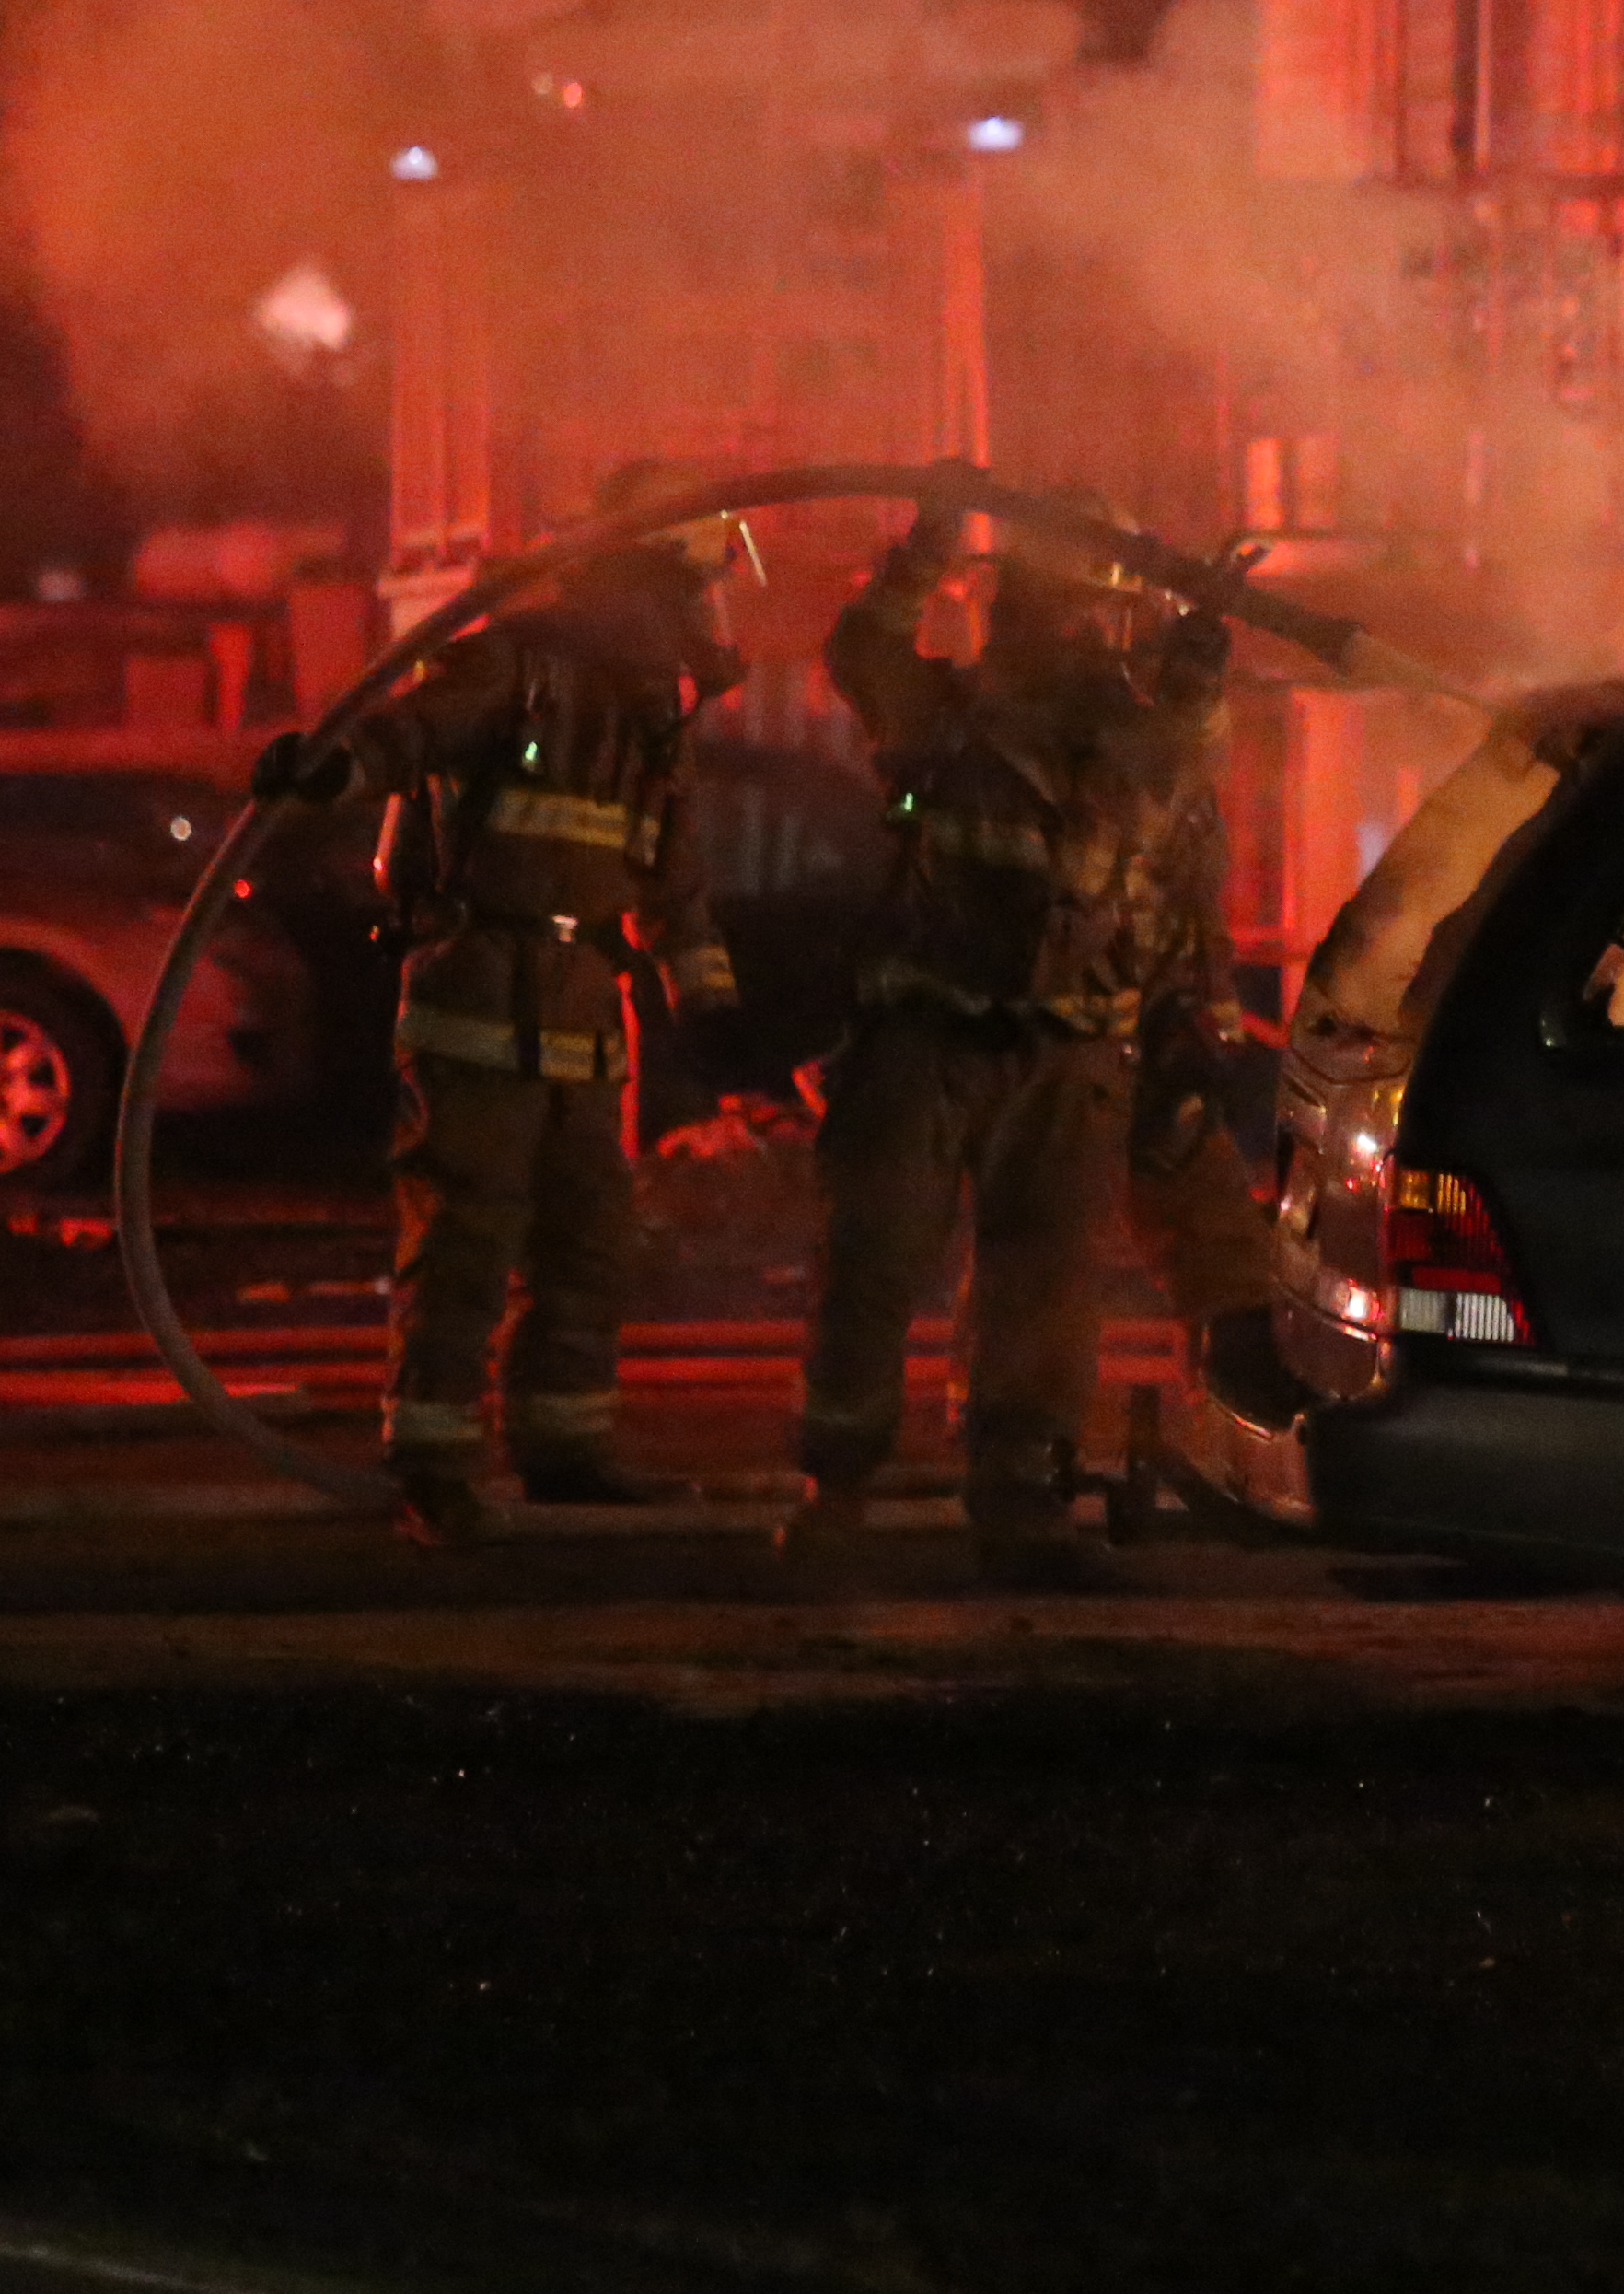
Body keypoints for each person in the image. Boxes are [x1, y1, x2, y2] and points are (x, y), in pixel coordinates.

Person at [260, 462, 745, 1545]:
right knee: (468, 1238)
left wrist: (708, 1002)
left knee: (589, 1240)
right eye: (691, 589)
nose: (704, 617)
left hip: (582, 1007)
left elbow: (671, 872)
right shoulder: (515, 668)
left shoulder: (648, 716)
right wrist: (323, 775)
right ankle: (432, 1465)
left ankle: (564, 1448)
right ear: (645, 584)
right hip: (478, 994)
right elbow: (403, 735)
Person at [790, 495, 1253, 1586]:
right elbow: (860, 649)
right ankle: (834, 1495)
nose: (1081, 639)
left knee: (1043, 1291)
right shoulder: (941, 713)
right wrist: (924, 547)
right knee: (873, 1263)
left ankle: (1017, 1501)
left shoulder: (1149, 748)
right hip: (926, 1038)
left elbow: (1185, 889)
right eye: (1065, 615)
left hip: (1075, 1058)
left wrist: (1202, 657)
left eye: (1097, 621)